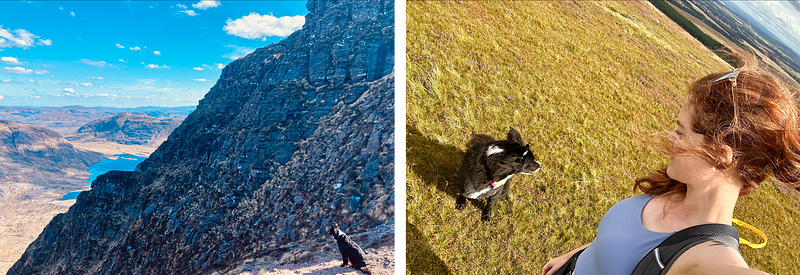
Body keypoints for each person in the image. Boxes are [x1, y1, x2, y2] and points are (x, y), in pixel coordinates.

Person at [542, 56, 800, 275]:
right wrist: (576, 255)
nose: (670, 138)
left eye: (681, 132)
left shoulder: (706, 255)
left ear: (720, 156)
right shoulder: (678, 187)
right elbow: (620, 240)